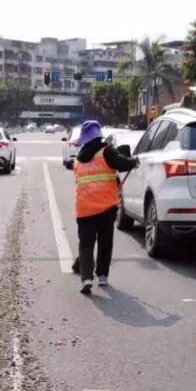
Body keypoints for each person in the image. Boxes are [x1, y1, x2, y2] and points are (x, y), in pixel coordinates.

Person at [71, 120, 138, 295]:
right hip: (106, 208)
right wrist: (134, 161)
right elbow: (122, 163)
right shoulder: (106, 151)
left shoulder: (78, 159)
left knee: (86, 244)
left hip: (84, 209)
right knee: (104, 242)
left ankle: (86, 278)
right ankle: (101, 275)